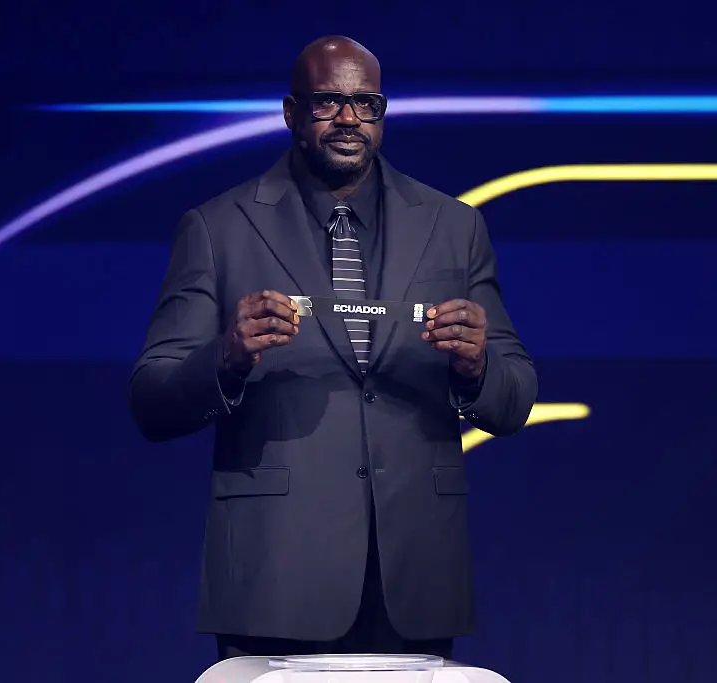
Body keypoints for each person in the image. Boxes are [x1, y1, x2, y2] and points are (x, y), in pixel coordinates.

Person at [128, 35, 537, 661]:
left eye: (366, 104)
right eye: (328, 102)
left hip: (416, 575)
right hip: (275, 574)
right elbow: (151, 401)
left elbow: (514, 400)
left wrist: (476, 368)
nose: (349, 119)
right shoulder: (218, 227)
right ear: (292, 112)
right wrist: (226, 358)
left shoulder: (454, 225)